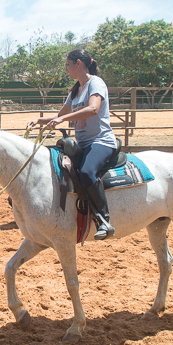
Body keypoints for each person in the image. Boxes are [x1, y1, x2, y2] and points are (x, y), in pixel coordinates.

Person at [27, 50, 118, 240]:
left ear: (79, 63)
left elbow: (93, 109)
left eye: (68, 65)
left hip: (101, 140)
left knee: (86, 172)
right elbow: (60, 115)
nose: (66, 69)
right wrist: (39, 119)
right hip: (83, 144)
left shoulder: (96, 83)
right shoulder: (76, 89)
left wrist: (63, 120)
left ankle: (104, 219)